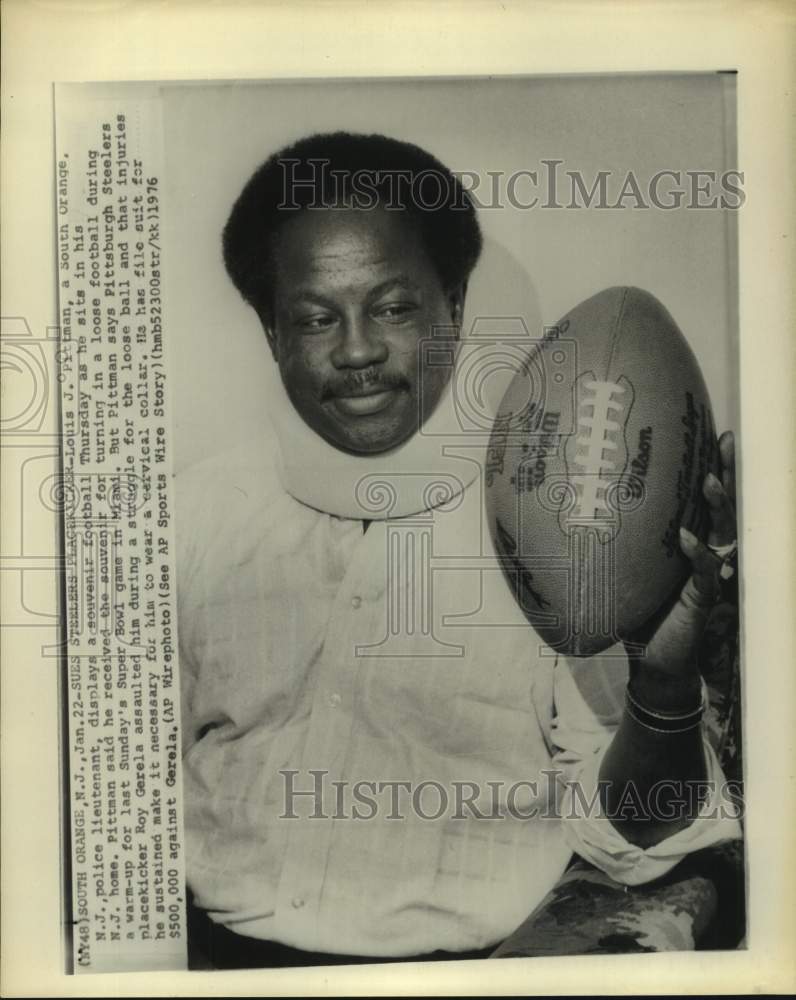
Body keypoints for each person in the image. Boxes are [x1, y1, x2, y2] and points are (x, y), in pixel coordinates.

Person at [176, 131, 741, 969]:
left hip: (457, 972)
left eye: (394, 308)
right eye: (315, 318)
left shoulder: (563, 520)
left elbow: (639, 840)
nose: (358, 351)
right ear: (270, 333)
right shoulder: (194, 511)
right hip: (197, 959)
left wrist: (662, 685)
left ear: (455, 308)